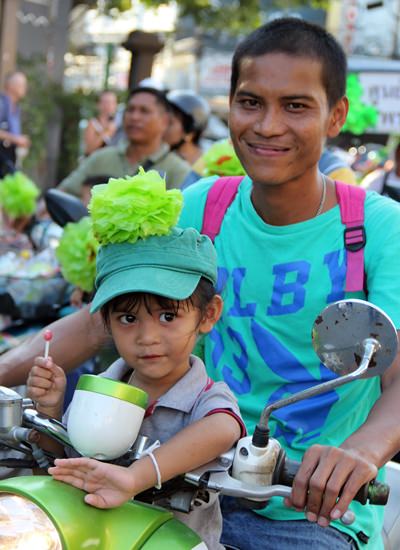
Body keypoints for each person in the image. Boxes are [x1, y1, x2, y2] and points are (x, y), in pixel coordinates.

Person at [2, 17, 400, 550]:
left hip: (302, 512)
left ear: (336, 116)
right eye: (251, 102)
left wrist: (361, 451)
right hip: (165, 486)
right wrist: (5, 370)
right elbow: (101, 319)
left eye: (296, 106)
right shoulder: (202, 205)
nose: (267, 125)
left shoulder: (377, 228)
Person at [26, 172, 244, 549]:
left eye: (168, 316)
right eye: (128, 319)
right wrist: (49, 412)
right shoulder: (102, 388)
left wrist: (135, 477)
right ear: (106, 323)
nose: (147, 337)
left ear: (208, 315)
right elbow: (64, 462)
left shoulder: (206, 399)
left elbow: (223, 429)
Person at [58, 87, 192, 197]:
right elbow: (63, 194)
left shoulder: (179, 171)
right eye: (130, 109)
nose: (134, 117)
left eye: (144, 111)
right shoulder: (100, 159)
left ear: (165, 121)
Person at [0, 71, 30, 177]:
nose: (25, 88)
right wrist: (15, 138)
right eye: (22, 85)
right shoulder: (2, 104)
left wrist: (20, 140)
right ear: (11, 86)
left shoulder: (16, 108)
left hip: (8, 159)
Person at [83, 90, 118, 156]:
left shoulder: (120, 124)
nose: (109, 105)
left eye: (112, 102)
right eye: (106, 102)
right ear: (98, 104)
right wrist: (106, 132)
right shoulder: (93, 124)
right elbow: (89, 150)